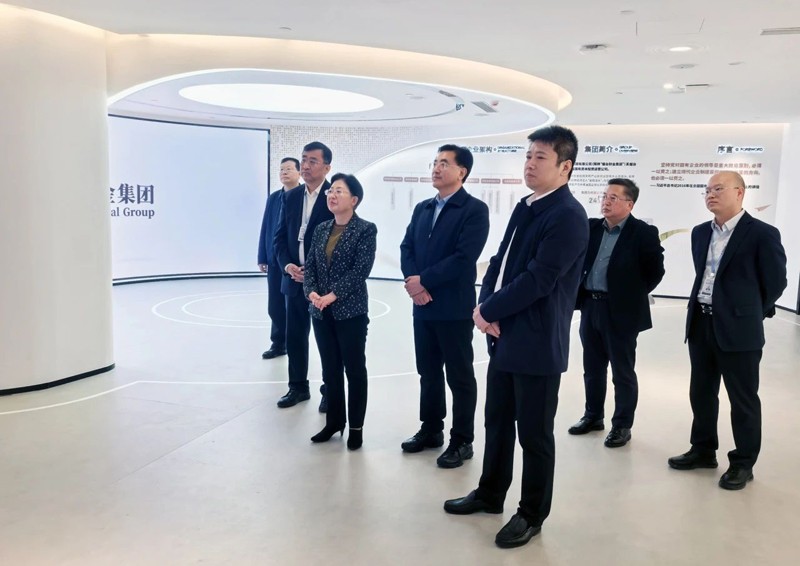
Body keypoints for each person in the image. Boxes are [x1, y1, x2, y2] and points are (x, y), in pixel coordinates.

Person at [444, 126, 589, 549]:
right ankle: (490, 493)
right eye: (528, 156)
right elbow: (500, 262)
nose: (529, 163)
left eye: (540, 157)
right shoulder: (528, 206)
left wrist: (488, 311)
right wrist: (484, 305)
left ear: (565, 166)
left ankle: (531, 514)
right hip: (504, 335)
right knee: (497, 421)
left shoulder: (568, 215)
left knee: (535, 435)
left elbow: (539, 280)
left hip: (537, 341)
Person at [668, 170, 786, 490]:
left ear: (740, 192)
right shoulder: (699, 233)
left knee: (742, 398)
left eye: (718, 188)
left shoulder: (762, 233)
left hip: (739, 329)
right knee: (701, 392)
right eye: (707, 190)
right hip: (701, 323)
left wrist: (749, 313)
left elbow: (776, 282)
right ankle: (703, 450)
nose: (711, 194)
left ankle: (743, 463)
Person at [399, 144, 490, 468]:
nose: (436, 168)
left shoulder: (474, 210)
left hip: (453, 307)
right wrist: (414, 284)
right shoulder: (423, 208)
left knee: (459, 376)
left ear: (462, 171)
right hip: (422, 307)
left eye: (444, 163)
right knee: (428, 372)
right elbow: (407, 247)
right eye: (435, 163)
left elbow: (464, 258)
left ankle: (462, 440)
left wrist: (424, 281)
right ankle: (431, 429)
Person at [569, 178, 665, 447]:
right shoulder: (591, 228)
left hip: (621, 311)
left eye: (613, 197)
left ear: (629, 204)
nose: (606, 201)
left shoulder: (643, 232)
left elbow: (655, 271)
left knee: (622, 371)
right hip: (591, 306)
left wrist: (629, 296)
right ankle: (593, 416)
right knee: (592, 368)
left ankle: (622, 425)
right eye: (604, 196)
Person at [304, 173, 377, 451]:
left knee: (354, 370)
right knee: (330, 370)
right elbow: (310, 266)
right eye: (330, 191)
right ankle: (334, 422)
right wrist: (311, 292)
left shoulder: (365, 229)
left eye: (339, 191)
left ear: (354, 199)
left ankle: (356, 427)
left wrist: (332, 295)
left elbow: (361, 270)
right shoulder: (321, 228)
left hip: (351, 312)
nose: (332, 195)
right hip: (320, 312)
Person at [273, 142, 334, 410]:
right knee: (295, 336)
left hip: (321, 283)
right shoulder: (291, 196)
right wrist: (288, 266)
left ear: (326, 167)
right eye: (304, 160)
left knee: (326, 340)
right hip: (293, 279)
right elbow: (279, 238)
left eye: (313, 161)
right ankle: (297, 387)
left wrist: (314, 270)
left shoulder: (334, 196)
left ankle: (330, 390)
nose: (306, 166)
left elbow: (339, 241)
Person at [258, 157, 301, 360]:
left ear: (299, 173)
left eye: (289, 169)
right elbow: (266, 226)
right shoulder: (274, 198)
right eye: (282, 169)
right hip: (274, 260)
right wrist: (262, 256)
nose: (284, 172)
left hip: (294, 263)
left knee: (292, 307)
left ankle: (294, 344)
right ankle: (278, 343)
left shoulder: (303, 197)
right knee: (274, 305)